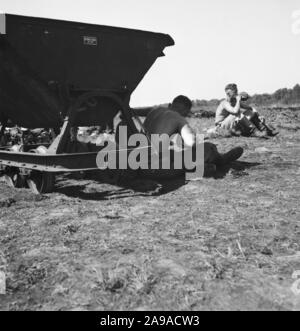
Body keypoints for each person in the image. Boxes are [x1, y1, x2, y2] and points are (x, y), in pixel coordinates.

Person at [133, 95, 244, 173]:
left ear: (170, 104)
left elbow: (143, 110)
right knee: (208, 148)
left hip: (137, 160)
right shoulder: (179, 118)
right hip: (156, 167)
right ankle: (220, 160)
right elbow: (192, 143)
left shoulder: (155, 110)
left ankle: (198, 167)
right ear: (186, 111)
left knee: (172, 149)